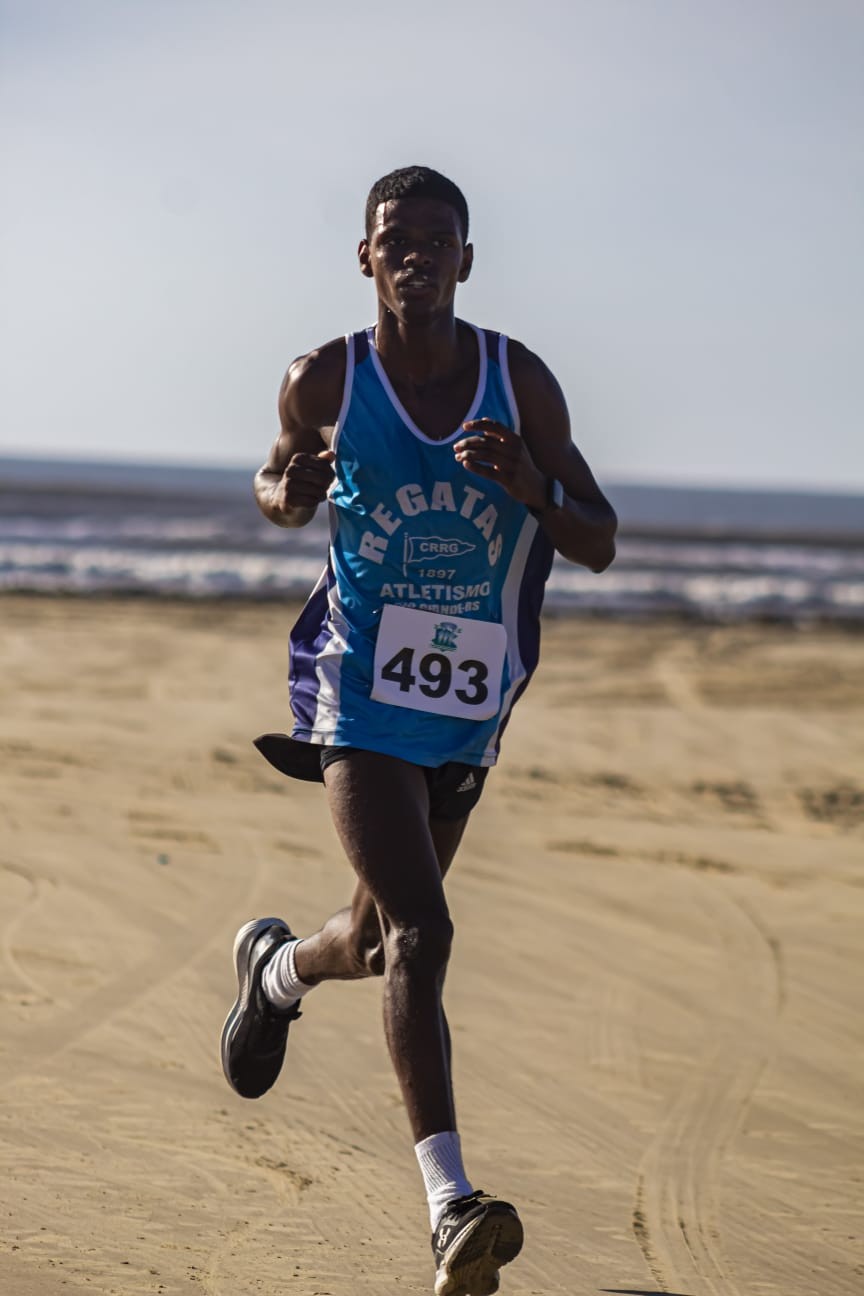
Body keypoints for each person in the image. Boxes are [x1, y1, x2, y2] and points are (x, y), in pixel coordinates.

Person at [220, 165, 617, 1296]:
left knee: (382, 941)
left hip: (467, 710)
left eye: (439, 240)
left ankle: (279, 972)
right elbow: (274, 483)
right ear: (366, 258)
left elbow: (598, 537)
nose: (417, 254)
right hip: (357, 698)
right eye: (396, 238)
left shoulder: (517, 381)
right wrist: (287, 493)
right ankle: (452, 1204)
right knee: (428, 932)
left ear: (467, 260)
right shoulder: (329, 377)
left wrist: (534, 485)